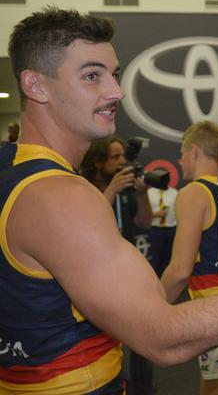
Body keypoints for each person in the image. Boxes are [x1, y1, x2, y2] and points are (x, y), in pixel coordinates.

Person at [0, 7, 218, 394]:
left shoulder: (11, 170)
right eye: (92, 76)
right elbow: (161, 336)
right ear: (36, 85)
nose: (115, 91)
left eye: (114, 75)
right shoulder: (59, 196)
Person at [161, 121, 218, 395]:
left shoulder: (192, 193)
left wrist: (151, 307)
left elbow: (180, 270)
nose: (179, 161)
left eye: (181, 154)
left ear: (194, 151)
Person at [81, 136, 155, 394]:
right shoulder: (85, 188)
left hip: (129, 274)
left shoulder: (126, 188)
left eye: (123, 155)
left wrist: (142, 194)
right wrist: (111, 189)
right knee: (108, 342)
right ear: (98, 161)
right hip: (98, 278)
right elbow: (85, 222)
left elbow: (145, 222)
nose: (123, 161)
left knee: (143, 340)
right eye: (115, 157)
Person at [147, 182, 178, 277]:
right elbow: (141, 213)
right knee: (155, 258)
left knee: (169, 259)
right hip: (155, 229)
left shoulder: (175, 192)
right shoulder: (148, 193)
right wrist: (155, 214)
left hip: (172, 229)